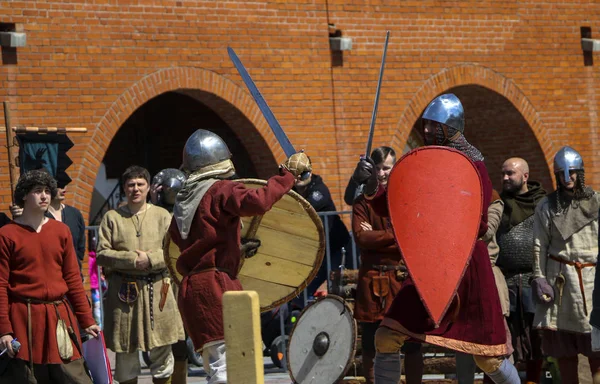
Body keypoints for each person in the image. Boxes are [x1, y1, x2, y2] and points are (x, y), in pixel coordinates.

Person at [352, 93, 519, 384]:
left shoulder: (474, 166)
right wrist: (369, 185)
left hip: (468, 270)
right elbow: (396, 205)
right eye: (426, 125)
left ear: (450, 126)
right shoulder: (422, 163)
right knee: (386, 336)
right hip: (429, 267)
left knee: (487, 357)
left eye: (433, 125)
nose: (426, 131)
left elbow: (477, 224)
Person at [168, 129, 310, 384]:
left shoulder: (183, 199)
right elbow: (258, 201)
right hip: (216, 287)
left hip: (191, 290)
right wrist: (287, 176)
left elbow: (187, 241)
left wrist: (232, 247)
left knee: (216, 367)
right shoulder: (220, 190)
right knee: (229, 369)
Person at [0, 169, 100, 383]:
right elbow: (0, 286)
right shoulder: (7, 235)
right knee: (28, 378)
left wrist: (86, 319)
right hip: (23, 319)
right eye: (38, 191)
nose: (45, 196)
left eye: (47, 191)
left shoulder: (61, 231)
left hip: (59, 318)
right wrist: (4, 330)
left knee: (74, 377)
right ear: (25, 195)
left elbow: (73, 279)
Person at [97, 165, 185, 384]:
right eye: (131, 185)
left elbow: (173, 251)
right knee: (126, 354)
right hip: (125, 294)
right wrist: (132, 260)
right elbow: (102, 254)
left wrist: (151, 259)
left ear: (148, 188)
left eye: (140, 184)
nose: (135, 189)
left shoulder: (162, 215)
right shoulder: (112, 218)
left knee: (162, 352)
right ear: (125, 189)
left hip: (158, 291)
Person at [352, 146, 423, 384]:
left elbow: (414, 237)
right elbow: (362, 238)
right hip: (373, 281)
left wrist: (379, 236)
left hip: (403, 279)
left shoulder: (406, 198)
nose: (381, 173)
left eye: (386, 168)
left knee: (412, 344)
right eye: (378, 168)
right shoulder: (362, 202)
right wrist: (397, 234)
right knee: (372, 343)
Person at [532, 146, 600, 382]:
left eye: (572, 172)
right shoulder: (547, 206)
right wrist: (539, 278)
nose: (566, 177)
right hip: (560, 285)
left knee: (598, 353)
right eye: (561, 173)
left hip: (592, 284)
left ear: (580, 172)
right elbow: (539, 245)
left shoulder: (597, 202)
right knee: (564, 353)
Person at [495, 157, 546, 382]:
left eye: (511, 173)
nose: (505, 178)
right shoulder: (498, 205)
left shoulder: (543, 204)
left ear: (525, 176)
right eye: (503, 173)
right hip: (504, 283)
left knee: (537, 342)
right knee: (503, 343)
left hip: (535, 280)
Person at [150, 168, 189, 384]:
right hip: (161, 282)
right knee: (163, 338)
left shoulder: (185, 212)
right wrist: (154, 205)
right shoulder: (152, 214)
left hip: (182, 278)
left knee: (181, 340)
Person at [292, 157, 351, 297]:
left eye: (304, 173)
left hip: (337, 248)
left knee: (339, 289)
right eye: (295, 173)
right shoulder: (291, 191)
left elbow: (307, 209)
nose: (299, 177)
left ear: (310, 173)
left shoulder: (319, 189)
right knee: (302, 292)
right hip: (316, 252)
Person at [44, 186, 86, 272]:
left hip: (73, 272)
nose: (64, 188)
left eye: (65, 184)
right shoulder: (40, 216)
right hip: (50, 273)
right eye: (59, 185)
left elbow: (81, 245)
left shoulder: (75, 214)